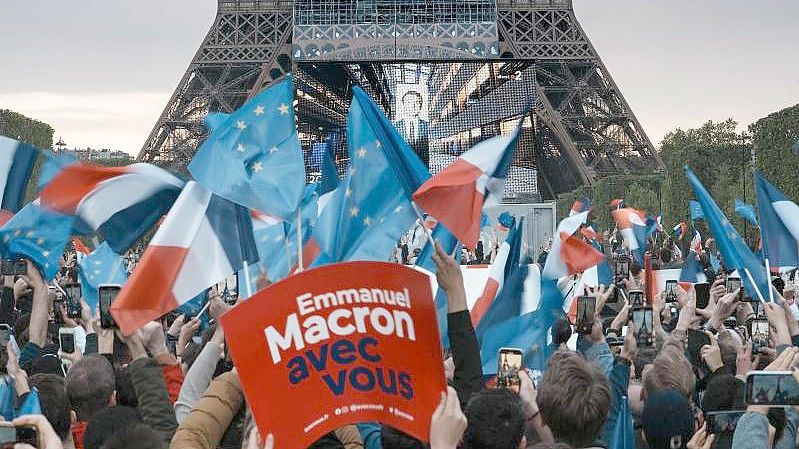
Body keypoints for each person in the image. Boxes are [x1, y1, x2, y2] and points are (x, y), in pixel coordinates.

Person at [394, 90, 430, 165]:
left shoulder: (427, 126)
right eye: (409, 103)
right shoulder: (394, 127)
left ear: (421, 105)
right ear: (403, 105)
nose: (413, 106)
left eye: (416, 102)